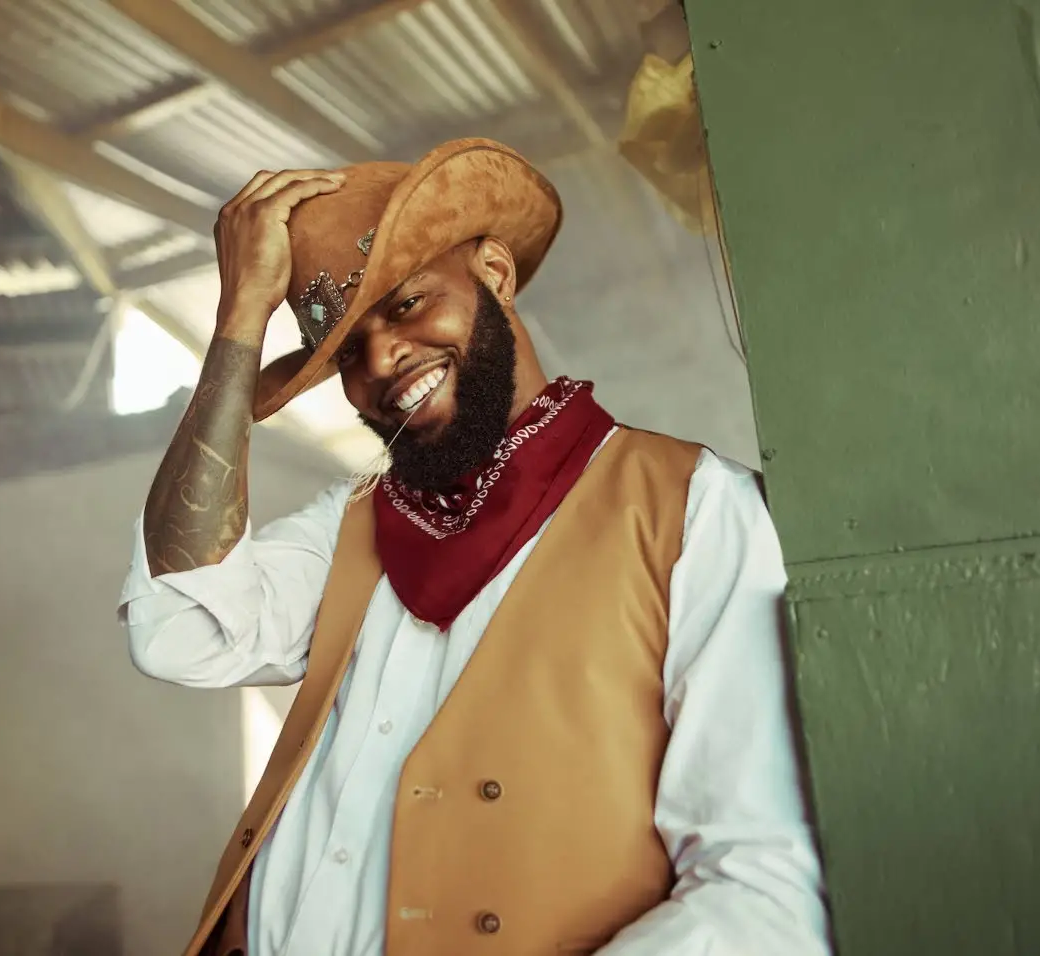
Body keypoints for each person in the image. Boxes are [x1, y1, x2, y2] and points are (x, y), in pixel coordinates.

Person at [117, 138, 831, 956]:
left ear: (493, 274)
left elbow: (763, 892)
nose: (382, 358)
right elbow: (174, 628)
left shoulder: (694, 510)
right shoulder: (352, 519)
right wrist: (237, 321)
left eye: (406, 304)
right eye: (347, 351)